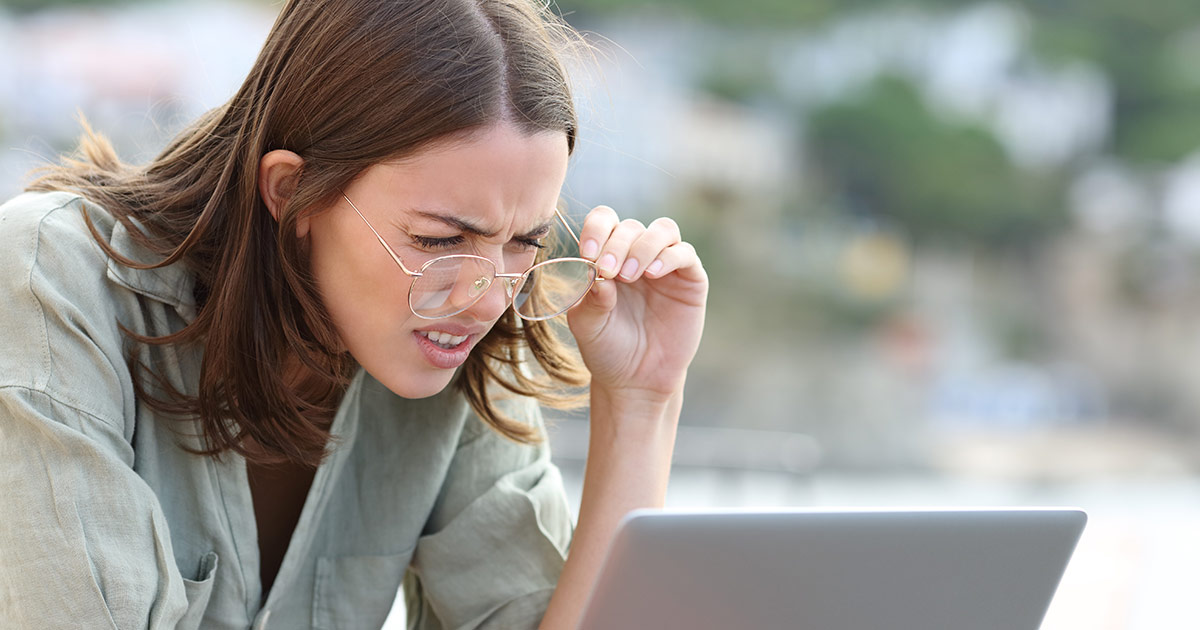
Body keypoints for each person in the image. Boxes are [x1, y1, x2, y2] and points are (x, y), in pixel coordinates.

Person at [0, 0, 707, 628]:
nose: (486, 299)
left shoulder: (448, 367)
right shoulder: (52, 279)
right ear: (293, 192)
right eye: (439, 241)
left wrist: (643, 398)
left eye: (524, 243)